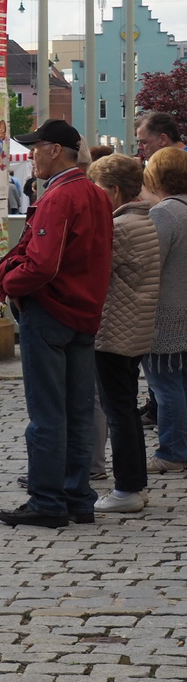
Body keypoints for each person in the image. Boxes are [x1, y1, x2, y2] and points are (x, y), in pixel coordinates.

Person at [0, 119, 113, 528]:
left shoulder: (60, 196)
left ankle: (47, 499)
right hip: (84, 311)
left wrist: (8, 281)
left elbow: (42, 264)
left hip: (50, 311)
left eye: (37, 146)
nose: (32, 154)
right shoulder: (95, 193)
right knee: (79, 411)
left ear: (56, 149)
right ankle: (77, 496)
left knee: (47, 414)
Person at [84, 154, 160, 514]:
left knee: (118, 410)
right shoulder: (144, 221)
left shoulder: (120, 227)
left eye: (97, 189)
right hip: (134, 326)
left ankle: (128, 488)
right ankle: (134, 485)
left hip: (115, 327)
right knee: (125, 408)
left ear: (113, 191)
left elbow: (93, 268)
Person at [141, 147, 187, 475]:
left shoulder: (165, 213)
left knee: (165, 385)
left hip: (166, 314)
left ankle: (172, 451)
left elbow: (147, 265)